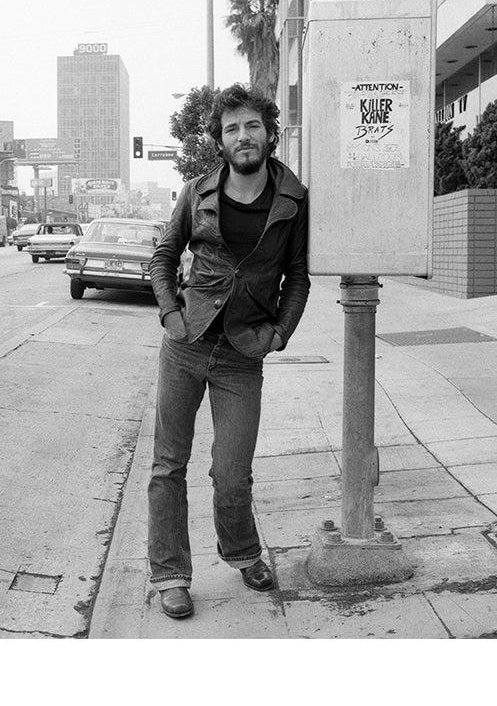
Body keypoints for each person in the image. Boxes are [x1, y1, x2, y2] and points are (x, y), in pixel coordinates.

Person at [146, 83, 310, 619]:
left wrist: (280, 333)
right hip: (187, 345)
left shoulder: (293, 198)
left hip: (243, 355)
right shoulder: (197, 192)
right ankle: (170, 574)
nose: (243, 137)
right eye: (233, 128)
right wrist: (172, 315)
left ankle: (242, 553)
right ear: (221, 139)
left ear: (269, 134)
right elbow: (164, 254)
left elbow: (299, 277)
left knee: (232, 473)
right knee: (169, 466)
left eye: (253, 126)